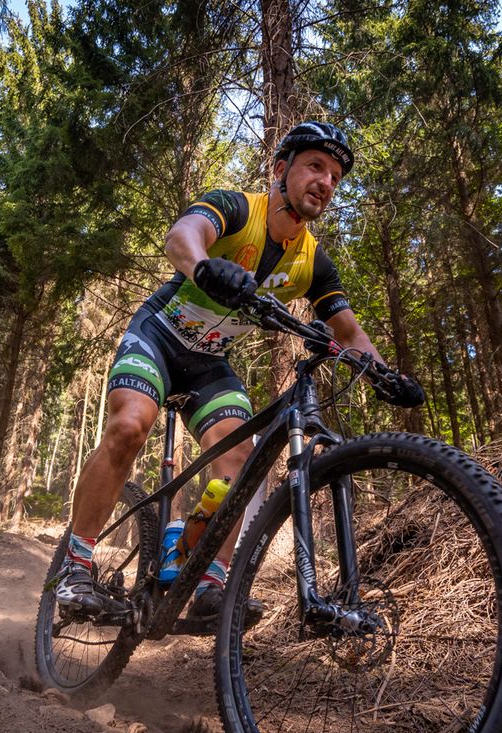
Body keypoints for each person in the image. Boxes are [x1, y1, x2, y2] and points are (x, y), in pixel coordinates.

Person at [56, 122, 424, 621]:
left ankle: (208, 581)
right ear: (281, 169)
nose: (325, 182)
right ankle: (75, 566)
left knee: (241, 460)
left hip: (208, 363)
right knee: (129, 425)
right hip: (158, 337)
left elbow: (350, 333)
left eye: (335, 177)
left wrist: (385, 376)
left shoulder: (313, 262)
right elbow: (182, 235)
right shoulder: (236, 207)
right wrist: (204, 266)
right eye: (316, 166)